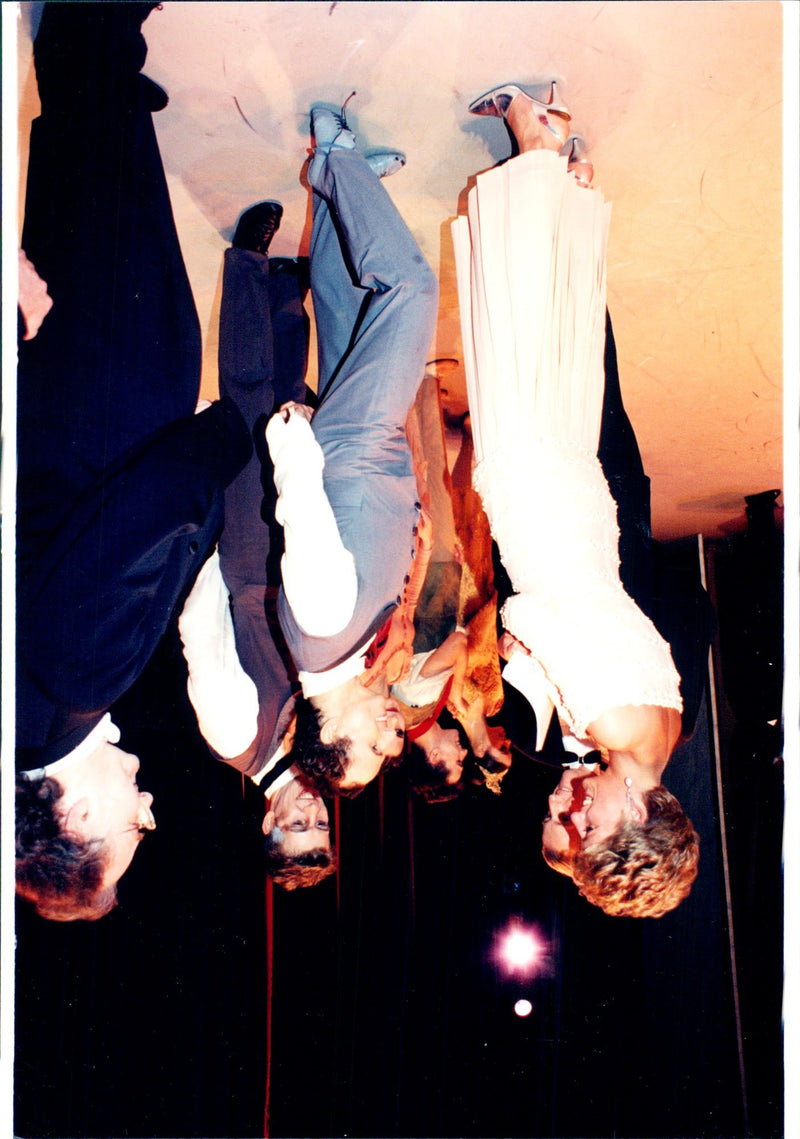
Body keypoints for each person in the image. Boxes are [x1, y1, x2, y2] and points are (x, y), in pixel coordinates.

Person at [15, 4, 251, 921]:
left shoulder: (78, 686)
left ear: (73, 814)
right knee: (86, 188)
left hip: (109, 389)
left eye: (129, 831)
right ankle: (90, 44)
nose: (149, 809)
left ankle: (93, 30)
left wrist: (236, 432)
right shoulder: (37, 713)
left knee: (110, 198)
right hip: (69, 397)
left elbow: (151, 510)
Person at [452, 80, 700, 918]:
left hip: (584, 518)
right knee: (517, 332)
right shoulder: (606, 717)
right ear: (635, 816)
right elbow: (530, 619)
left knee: (557, 356)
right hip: (543, 516)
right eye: (587, 825)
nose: (572, 807)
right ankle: (533, 135)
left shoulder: (660, 724)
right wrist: (518, 651)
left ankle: (563, 172)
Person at [265, 102, 438, 796]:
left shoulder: (319, 629)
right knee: (344, 303)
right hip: (366, 449)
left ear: (335, 733)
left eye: (376, 742)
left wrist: (293, 435)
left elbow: (301, 510)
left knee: (409, 291)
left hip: (352, 442)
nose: (391, 731)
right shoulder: (338, 655)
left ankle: (335, 157)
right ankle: (348, 185)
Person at [177, 204, 334, 889]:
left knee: (247, 406)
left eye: (297, 825)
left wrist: (225, 542)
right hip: (285, 563)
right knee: (291, 406)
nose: (311, 810)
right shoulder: (303, 745)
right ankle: (282, 294)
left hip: (249, 560)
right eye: (321, 824)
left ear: (268, 824)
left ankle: (245, 261)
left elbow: (195, 629)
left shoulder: (235, 734)